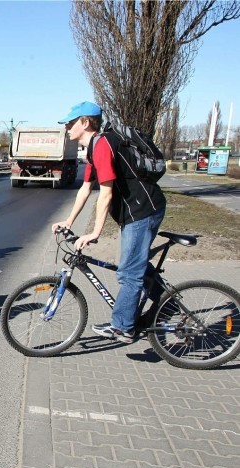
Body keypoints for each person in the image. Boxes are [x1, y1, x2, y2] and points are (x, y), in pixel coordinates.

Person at [51, 101, 166, 344]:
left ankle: (123, 327)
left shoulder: (102, 145)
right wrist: (68, 221)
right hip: (135, 213)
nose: (67, 128)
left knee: (128, 272)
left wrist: (94, 233)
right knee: (136, 264)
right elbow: (85, 189)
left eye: (71, 123)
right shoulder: (94, 147)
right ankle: (168, 302)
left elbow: (106, 194)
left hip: (143, 211)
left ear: (85, 122)